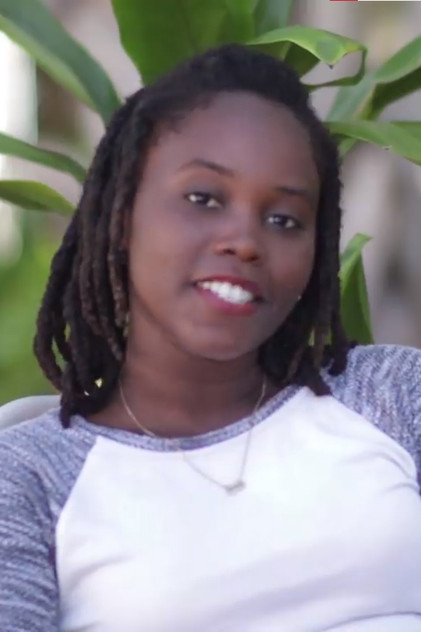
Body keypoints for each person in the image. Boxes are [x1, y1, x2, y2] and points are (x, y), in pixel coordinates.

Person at [1, 43, 421, 632]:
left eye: (284, 220)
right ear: (121, 217)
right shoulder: (33, 477)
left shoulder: (391, 398)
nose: (244, 241)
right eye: (203, 199)